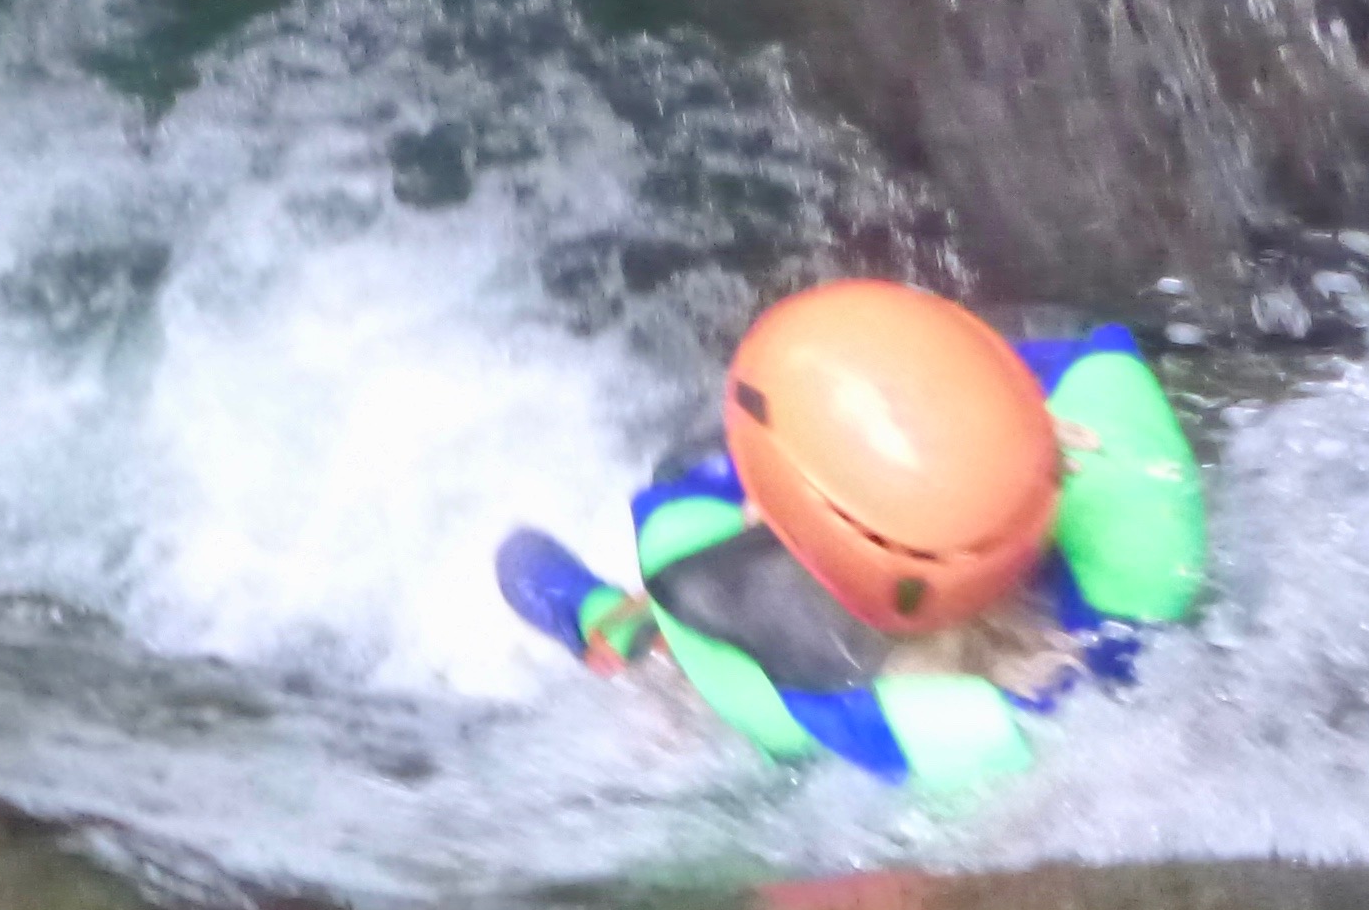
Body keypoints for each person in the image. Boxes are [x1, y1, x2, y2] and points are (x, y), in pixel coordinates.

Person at [498, 280, 1208, 793]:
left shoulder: (886, 725)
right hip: (944, 535)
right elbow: (1091, 355)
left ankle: (596, 622)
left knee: (668, 685)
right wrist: (1013, 434)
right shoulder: (1141, 571)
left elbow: (685, 577)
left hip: (744, 572)